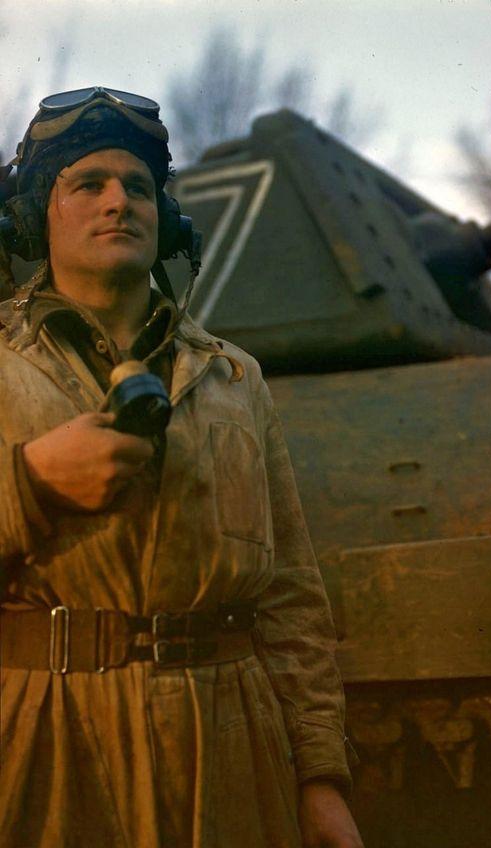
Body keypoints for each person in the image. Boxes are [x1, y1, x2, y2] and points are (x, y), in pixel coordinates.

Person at [0, 87, 363, 848]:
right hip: (48, 744)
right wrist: (27, 484)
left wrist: (321, 778)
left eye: (137, 187)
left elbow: (291, 596)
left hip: (231, 745)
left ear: (165, 219)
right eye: (88, 184)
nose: (118, 202)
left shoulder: (234, 378)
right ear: (36, 217)